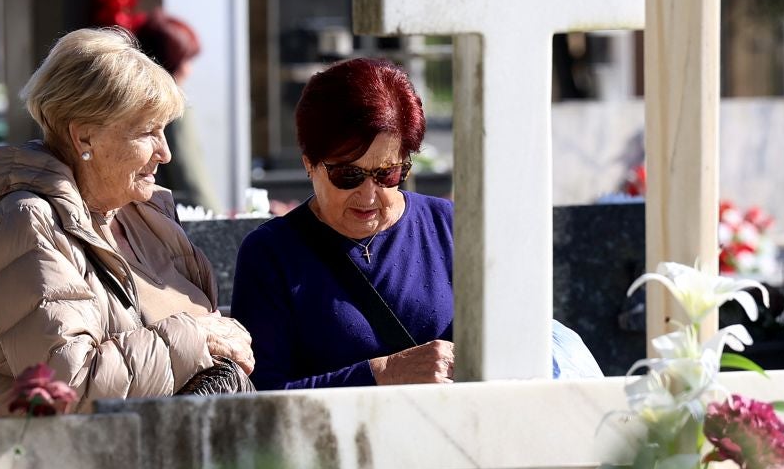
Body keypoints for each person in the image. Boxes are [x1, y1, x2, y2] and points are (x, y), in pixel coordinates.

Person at [230, 57, 602, 390]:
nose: (368, 195)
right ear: (309, 163)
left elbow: (515, 353)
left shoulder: (452, 228)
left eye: (387, 173)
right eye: (347, 175)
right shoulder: (270, 255)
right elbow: (263, 399)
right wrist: (381, 374)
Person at [0, 27, 255, 412]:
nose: (165, 153)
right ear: (84, 138)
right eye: (148, 132)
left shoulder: (144, 214)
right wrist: (197, 339)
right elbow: (72, 386)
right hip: (62, 464)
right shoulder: (26, 222)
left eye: (165, 131)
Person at [133, 9, 222, 214]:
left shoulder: (130, 103)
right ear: (169, 62)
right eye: (184, 60)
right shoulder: (173, 107)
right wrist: (218, 219)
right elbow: (189, 176)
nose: (188, 70)